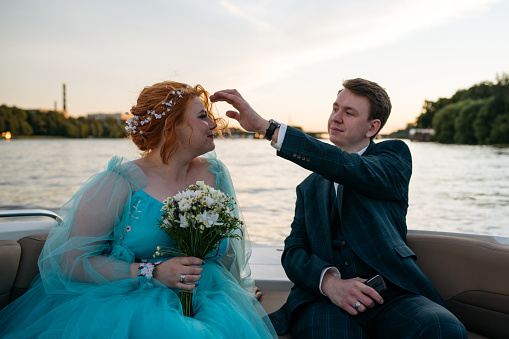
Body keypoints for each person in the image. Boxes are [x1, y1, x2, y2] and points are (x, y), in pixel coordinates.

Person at [0, 81, 277, 338]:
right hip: (130, 301)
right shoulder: (119, 182)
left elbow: (229, 252)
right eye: (202, 116)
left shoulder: (215, 173)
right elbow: (72, 262)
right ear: (171, 126)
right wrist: (152, 272)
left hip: (211, 297)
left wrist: (239, 290)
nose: (214, 123)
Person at [210, 78, 467, 338]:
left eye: (349, 112)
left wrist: (268, 129)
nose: (336, 118)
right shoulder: (307, 188)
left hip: (391, 294)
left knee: (443, 327)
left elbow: (348, 167)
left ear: (372, 127)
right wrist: (330, 283)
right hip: (324, 301)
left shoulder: (393, 158)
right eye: (335, 108)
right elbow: (293, 252)